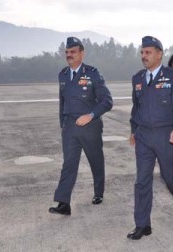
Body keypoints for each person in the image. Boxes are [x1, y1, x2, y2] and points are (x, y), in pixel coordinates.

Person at [127, 36, 173, 240]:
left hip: (166, 134)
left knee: (169, 176)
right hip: (144, 135)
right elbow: (136, 106)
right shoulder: (137, 77)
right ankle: (142, 224)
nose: (144, 56)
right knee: (142, 181)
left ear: (159, 54)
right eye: (142, 52)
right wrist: (133, 129)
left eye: (148, 52)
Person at [49, 37, 113, 215]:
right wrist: (63, 123)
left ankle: (98, 192)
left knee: (95, 160)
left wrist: (91, 115)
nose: (69, 55)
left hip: (90, 127)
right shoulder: (62, 74)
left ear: (81, 53)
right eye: (67, 52)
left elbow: (107, 101)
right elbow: (62, 102)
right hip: (69, 128)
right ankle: (63, 202)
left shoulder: (92, 73)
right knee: (69, 164)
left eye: (73, 52)